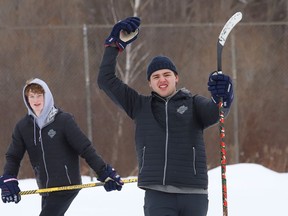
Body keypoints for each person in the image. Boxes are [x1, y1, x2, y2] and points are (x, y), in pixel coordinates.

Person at [97, 17, 234, 216]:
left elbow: (217, 112)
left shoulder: (194, 103)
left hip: (194, 194)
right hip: (158, 196)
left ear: (176, 78)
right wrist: (113, 46)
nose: (162, 79)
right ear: (150, 83)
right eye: (156, 76)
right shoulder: (139, 106)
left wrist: (224, 95)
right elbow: (105, 80)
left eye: (167, 74)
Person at [0, 78, 123, 216]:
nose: (36, 100)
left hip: (66, 185)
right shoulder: (23, 127)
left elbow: (85, 148)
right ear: (27, 99)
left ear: (46, 96)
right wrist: (9, 177)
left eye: (39, 95)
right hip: (46, 188)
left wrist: (103, 171)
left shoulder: (63, 120)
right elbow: (13, 156)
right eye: (31, 96)